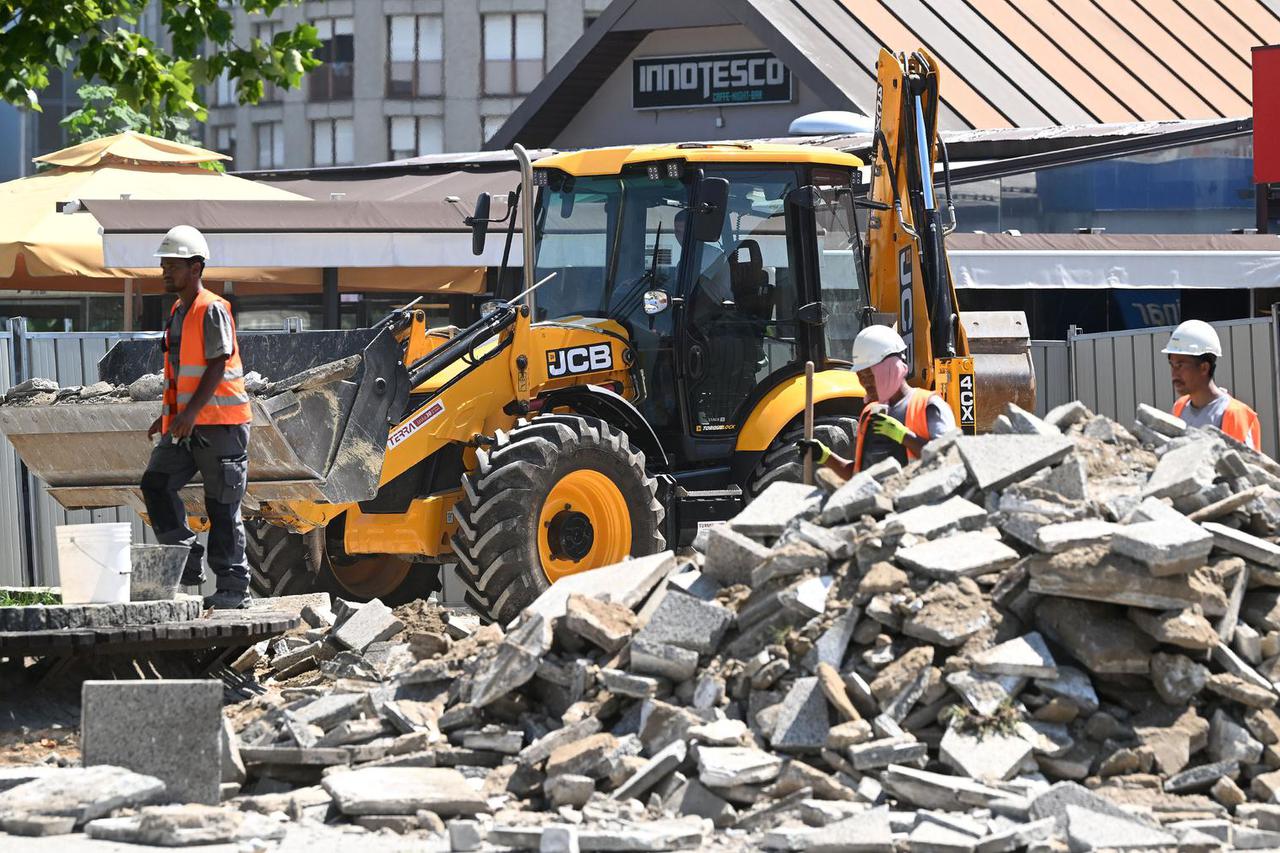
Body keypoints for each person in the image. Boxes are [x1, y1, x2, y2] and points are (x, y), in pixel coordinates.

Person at [139, 225, 253, 610]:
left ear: (196, 267)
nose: (165, 271)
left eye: (172, 265)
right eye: (164, 265)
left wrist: (189, 413)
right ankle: (186, 556)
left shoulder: (212, 308)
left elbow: (219, 363)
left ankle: (234, 590)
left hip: (221, 425)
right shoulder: (177, 311)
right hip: (185, 426)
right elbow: (178, 371)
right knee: (155, 483)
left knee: (222, 507)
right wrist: (167, 416)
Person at [798, 325, 955, 478]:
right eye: (861, 376)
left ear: (892, 368)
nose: (865, 383)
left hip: (919, 503)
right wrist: (825, 456)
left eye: (870, 375)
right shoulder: (869, 414)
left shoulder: (928, 405)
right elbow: (860, 476)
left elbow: (948, 460)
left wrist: (903, 436)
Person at [1163, 319, 1261, 450]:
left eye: (1180, 365)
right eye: (1172, 365)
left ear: (1204, 367)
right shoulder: (1179, 407)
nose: (1174, 373)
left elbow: (1244, 468)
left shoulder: (1234, 414)